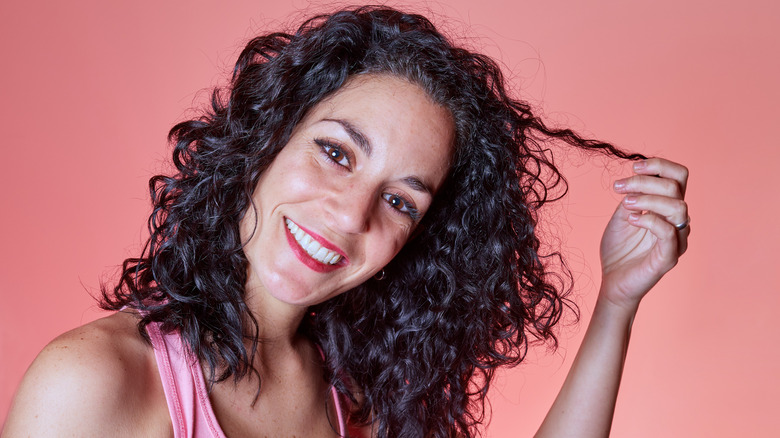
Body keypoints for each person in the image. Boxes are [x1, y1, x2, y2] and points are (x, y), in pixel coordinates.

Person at [2, 6, 690, 438]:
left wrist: (615, 305)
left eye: (399, 201)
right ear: (267, 139)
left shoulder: (349, 394)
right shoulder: (95, 380)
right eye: (336, 153)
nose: (348, 214)